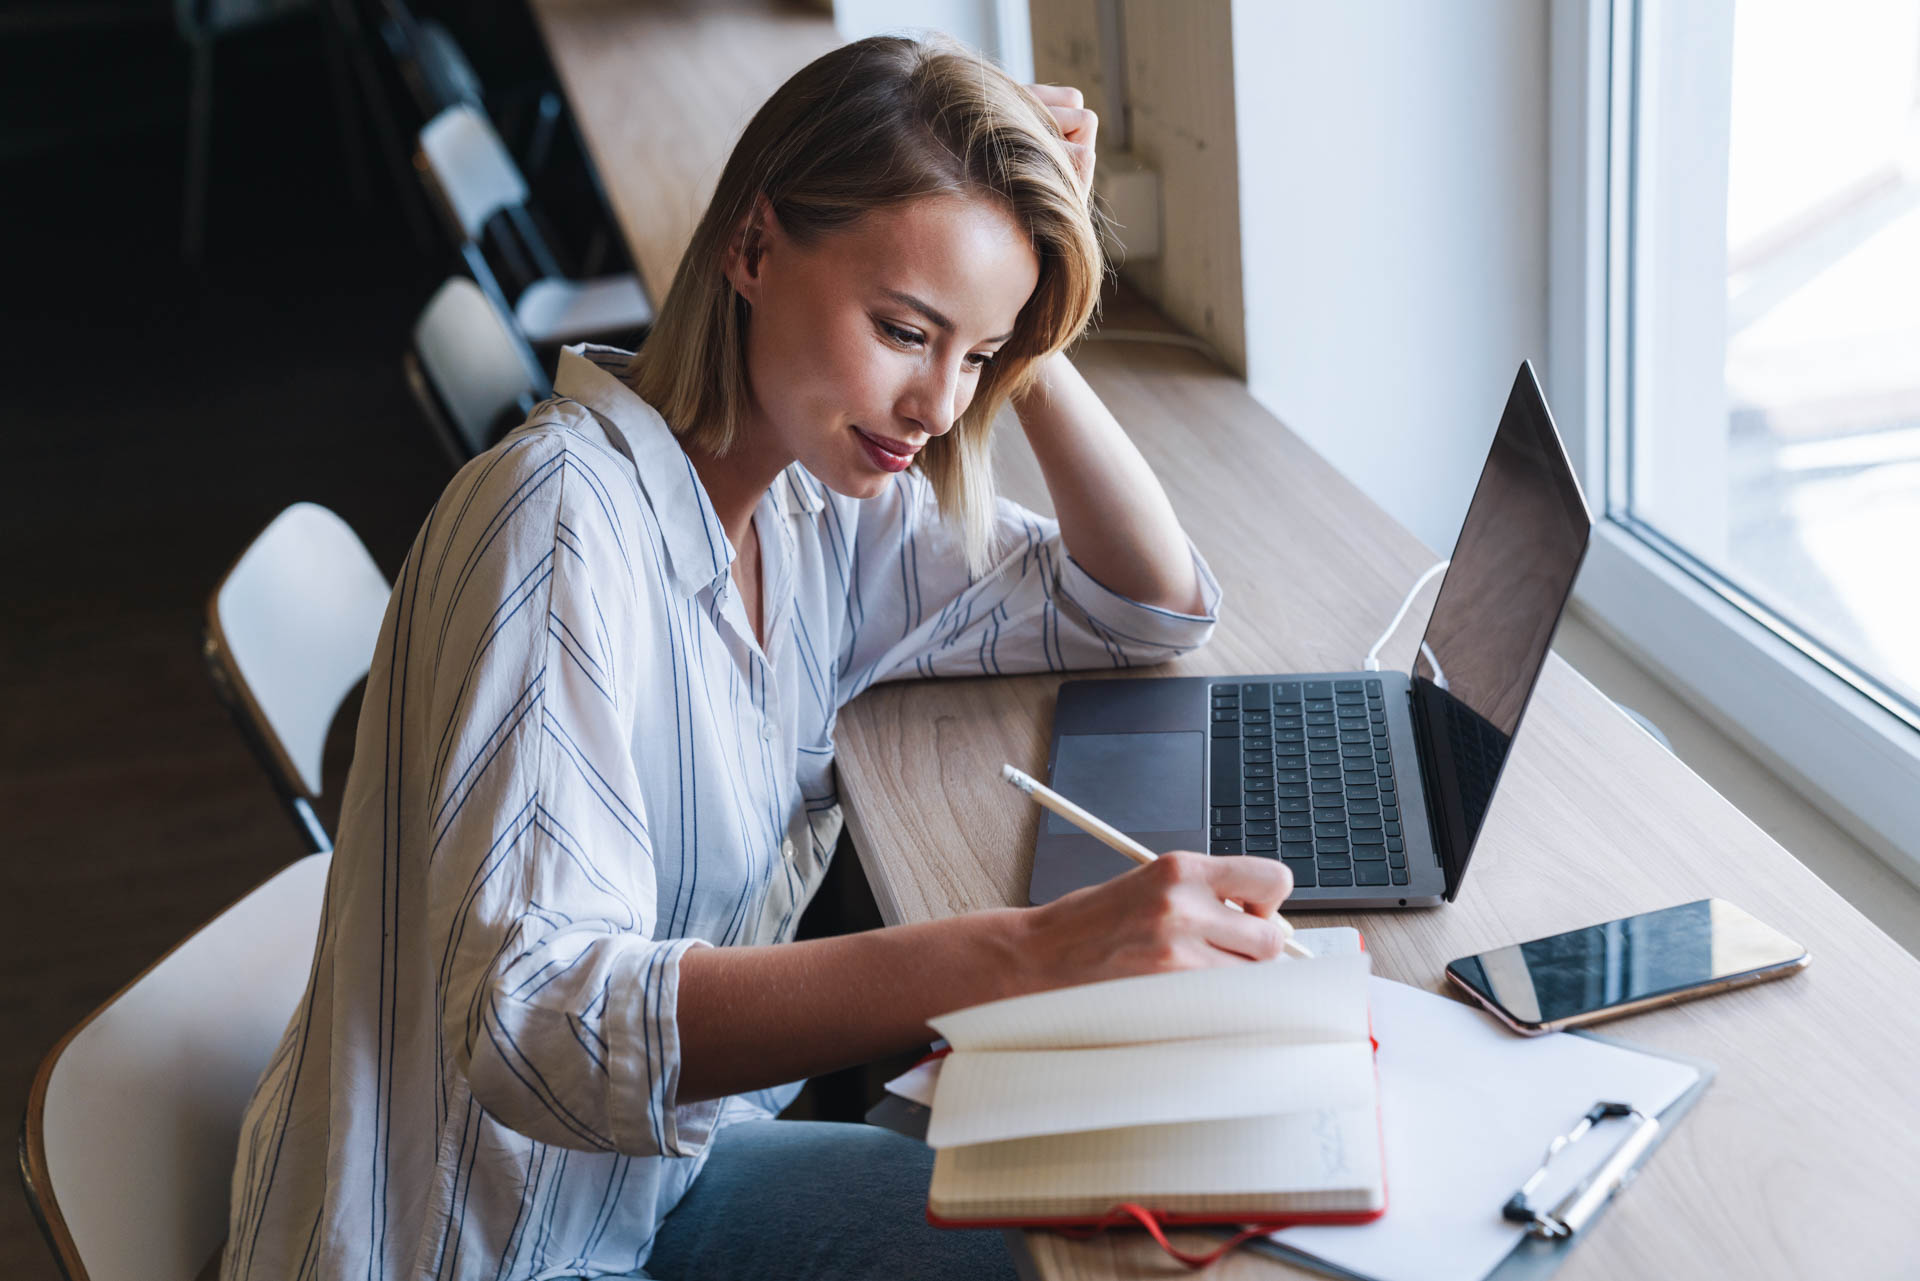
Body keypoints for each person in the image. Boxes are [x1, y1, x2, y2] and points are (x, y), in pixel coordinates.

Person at [223, 34, 1295, 1281]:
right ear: (749, 247)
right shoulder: (560, 529)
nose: (941, 408)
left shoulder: (810, 505)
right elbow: (535, 1028)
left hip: (645, 1182)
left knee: (1108, 1215)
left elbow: (1139, 604)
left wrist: (1024, 312)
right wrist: (1031, 952)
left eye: (978, 358)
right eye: (905, 330)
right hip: (491, 1246)